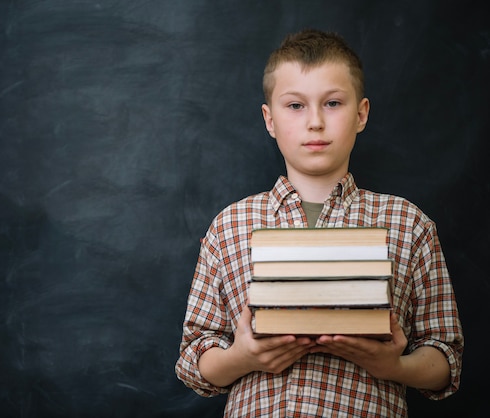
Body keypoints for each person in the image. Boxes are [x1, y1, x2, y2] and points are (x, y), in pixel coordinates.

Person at [174, 29, 464, 417]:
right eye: (295, 106)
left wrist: (392, 366)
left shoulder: (408, 224)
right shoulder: (229, 225)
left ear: (360, 114)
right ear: (269, 119)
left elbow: (446, 356)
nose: (314, 122)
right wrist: (244, 357)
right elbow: (194, 358)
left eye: (332, 103)